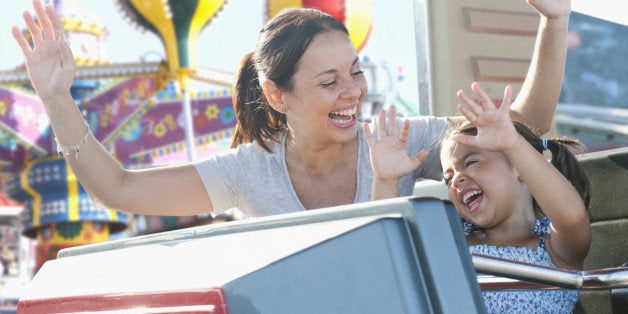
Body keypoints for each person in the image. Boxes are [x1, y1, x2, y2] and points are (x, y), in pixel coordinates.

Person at [12, 0, 571, 218]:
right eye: (328, 82)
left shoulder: (401, 140)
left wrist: (554, 22)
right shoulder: (248, 171)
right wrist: (56, 97)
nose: (352, 91)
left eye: (354, 73)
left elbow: (524, 131)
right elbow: (122, 191)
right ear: (278, 97)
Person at [443, 84, 591, 312]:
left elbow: (572, 218)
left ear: (522, 170)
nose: (456, 180)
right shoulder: (452, 242)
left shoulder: (556, 251)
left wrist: (512, 144)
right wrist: (386, 180)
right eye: (448, 177)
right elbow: (387, 264)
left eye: (471, 162)